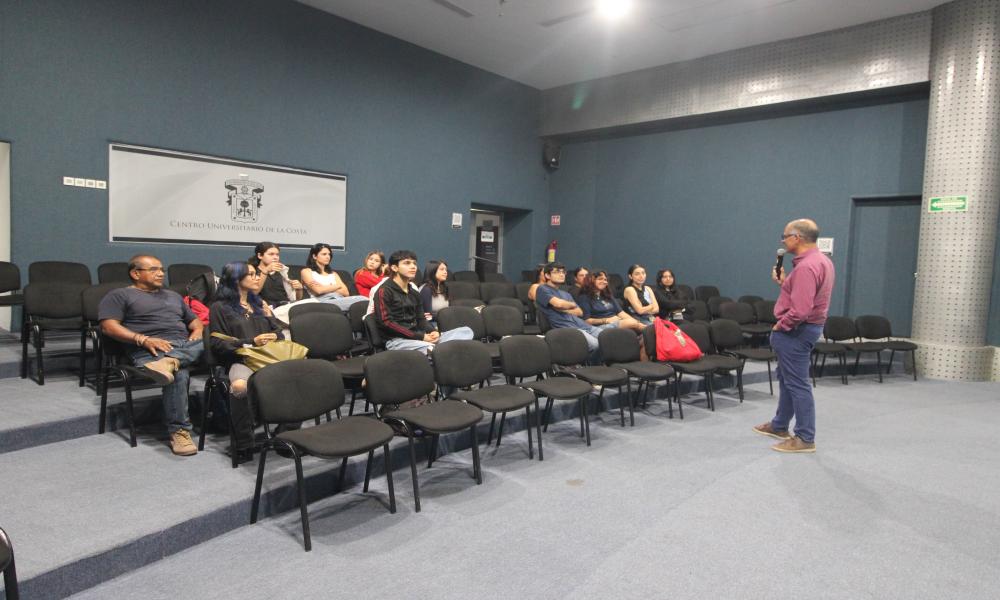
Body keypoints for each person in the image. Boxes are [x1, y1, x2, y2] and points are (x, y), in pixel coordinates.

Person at [98, 254, 204, 456]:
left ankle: (225, 418)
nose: (161, 273)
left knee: (222, 345)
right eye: (154, 269)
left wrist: (198, 332)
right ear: (135, 273)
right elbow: (108, 327)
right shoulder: (119, 295)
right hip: (150, 349)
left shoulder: (172, 296)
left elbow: (195, 321)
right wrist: (143, 339)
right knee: (179, 374)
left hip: (184, 344)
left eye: (162, 269)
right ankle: (179, 431)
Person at [754, 218, 834, 453]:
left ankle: (805, 437)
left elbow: (800, 310)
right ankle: (779, 425)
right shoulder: (821, 261)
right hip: (805, 329)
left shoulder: (807, 267)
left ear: (797, 238)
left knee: (798, 384)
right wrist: (786, 283)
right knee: (788, 379)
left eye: (785, 236)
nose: (783, 240)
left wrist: (782, 325)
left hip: (796, 331)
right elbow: (805, 296)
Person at [208, 261, 285, 459]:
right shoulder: (219, 308)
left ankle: (284, 433)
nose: (257, 277)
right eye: (251, 274)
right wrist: (251, 342)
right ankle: (244, 441)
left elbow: (279, 332)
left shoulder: (259, 303)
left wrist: (274, 335)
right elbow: (217, 344)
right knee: (240, 387)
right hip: (241, 360)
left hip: (268, 358)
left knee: (302, 377)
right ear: (236, 279)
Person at [373, 250, 473, 355]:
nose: (413, 266)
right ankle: (442, 350)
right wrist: (421, 337)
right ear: (394, 268)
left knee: (466, 331)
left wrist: (433, 332)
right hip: (397, 340)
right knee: (436, 350)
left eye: (414, 263)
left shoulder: (414, 292)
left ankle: (441, 350)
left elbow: (421, 319)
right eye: (407, 263)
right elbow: (387, 323)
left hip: (420, 337)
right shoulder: (384, 291)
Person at [534, 262, 603, 360]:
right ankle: (591, 368)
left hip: (583, 325)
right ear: (547, 275)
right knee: (596, 345)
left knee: (608, 339)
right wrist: (566, 305)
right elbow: (559, 304)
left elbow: (580, 312)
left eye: (563, 272)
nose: (562, 274)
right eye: (557, 272)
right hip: (568, 329)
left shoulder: (565, 294)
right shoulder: (542, 289)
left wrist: (566, 307)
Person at [300, 242, 368, 311]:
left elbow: (346, 293)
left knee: (363, 301)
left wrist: (324, 287)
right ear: (314, 256)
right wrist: (337, 286)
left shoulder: (333, 273)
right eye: (324, 254)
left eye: (329, 254)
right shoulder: (306, 271)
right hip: (322, 301)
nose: (328, 257)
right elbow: (318, 291)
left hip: (340, 299)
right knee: (363, 300)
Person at [577, 271, 644, 333]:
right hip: (599, 327)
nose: (604, 282)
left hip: (617, 322)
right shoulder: (584, 297)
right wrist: (606, 320)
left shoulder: (607, 296)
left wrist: (637, 323)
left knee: (638, 326)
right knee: (633, 324)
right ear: (591, 280)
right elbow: (586, 320)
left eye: (605, 280)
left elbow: (621, 313)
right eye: (600, 279)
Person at [251, 241, 302, 307]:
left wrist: (299, 289)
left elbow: (297, 299)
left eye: (277, 254)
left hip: (286, 306)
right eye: (271, 254)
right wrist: (265, 271)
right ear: (260, 256)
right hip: (265, 308)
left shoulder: (283, 271)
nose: (275, 257)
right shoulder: (252, 271)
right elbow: (253, 293)